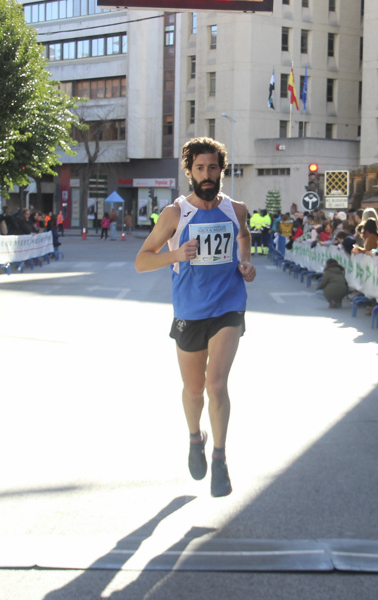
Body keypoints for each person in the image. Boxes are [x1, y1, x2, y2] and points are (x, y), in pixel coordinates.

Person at [134, 137, 255, 498]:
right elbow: (142, 260)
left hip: (228, 306)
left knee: (216, 384)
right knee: (194, 389)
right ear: (189, 171)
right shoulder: (175, 214)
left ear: (222, 170)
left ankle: (220, 456)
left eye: (213, 167)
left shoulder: (237, 210)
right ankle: (194, 438)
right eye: (200, 168)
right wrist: (176, 256)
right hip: (189, 309)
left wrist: (246, 262)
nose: (207, 174)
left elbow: (244, 237)